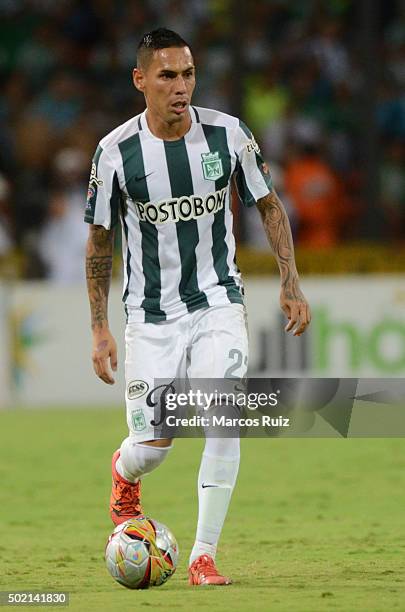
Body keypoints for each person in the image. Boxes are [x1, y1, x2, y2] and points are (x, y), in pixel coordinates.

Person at [84, 28, 310, 586]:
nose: (180, 86)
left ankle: (203, 556)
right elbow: (99, 244)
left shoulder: (229, 135)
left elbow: (268, 204)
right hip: (150, 314)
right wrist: (99, 328)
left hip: (218, 302)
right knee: (152, 448)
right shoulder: (116, 153)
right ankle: (123, 471)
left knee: (223, 419)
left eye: (187, 74)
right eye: (167, 76)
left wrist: (290, 279)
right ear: (141, 80)